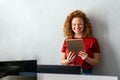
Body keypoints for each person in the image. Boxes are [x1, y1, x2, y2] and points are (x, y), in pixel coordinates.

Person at [61, 10, 100, 74]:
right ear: (70, 26)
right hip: (70, 72)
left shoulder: (93, 40)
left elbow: (96, 62)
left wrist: (86, 58)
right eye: (74, 24)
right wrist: (68, 60)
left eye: (80, 24)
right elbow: (62, 61)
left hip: (86, 72)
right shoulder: (67, 40)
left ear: (85, 25)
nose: (77, 27)